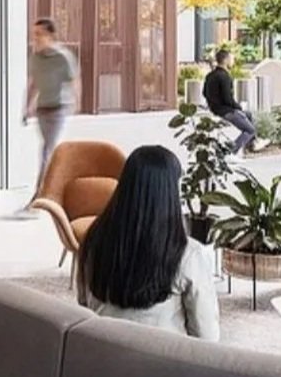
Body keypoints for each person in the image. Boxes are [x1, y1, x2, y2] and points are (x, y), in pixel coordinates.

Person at [74, 145, 220, 341]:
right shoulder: (188, 254)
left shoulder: (93, 241)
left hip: (102, 356)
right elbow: (206, 337)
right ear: (170, 193)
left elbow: (84, 305)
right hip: (161, 365)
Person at [23, 17, 79, 186]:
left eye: (39, 34)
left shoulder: (63, 57)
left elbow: (74, 80)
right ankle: (58, 182)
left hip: (59, 108)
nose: (35, 38)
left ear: (50, 36)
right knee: (49, 148)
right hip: (42, 108)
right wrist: (27, 107)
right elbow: (33, 84)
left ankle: (40, 189)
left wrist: (77, 101)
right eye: (34, 34)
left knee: (47, 148)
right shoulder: (35, 58)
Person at [202, 48, 259, 158]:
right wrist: (239, 107)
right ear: (226, 60)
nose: (233, 60)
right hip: (226, 111)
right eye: (231, 58)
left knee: (249, 115)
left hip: (215, 109)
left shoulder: (210, 75)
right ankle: (230, 152)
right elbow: (228, 100)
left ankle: (250, 145)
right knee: (250, 130)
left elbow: (204, 93)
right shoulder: (224, 76)